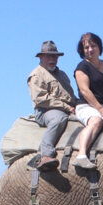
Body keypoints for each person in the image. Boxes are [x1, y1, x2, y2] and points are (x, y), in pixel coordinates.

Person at [27, 40, 77, 171]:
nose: (52, 59)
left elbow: (70, 96)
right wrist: (66, 107)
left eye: (54, 56)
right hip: (46, 111)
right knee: (58, 119)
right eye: (48, 56)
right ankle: (46, 154)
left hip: (68, 108)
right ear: (41, 57)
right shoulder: (37, 75)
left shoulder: (62, 75)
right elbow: (40, 99)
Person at [72, 33, 103, 169]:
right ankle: (81, 155)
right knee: (96, 120)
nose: (90, 50)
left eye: (93, 46)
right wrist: (100, 110)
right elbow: (85, 91)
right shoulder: (82, 67)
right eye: (86, 47)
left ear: (99, 47)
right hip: (87, 106)